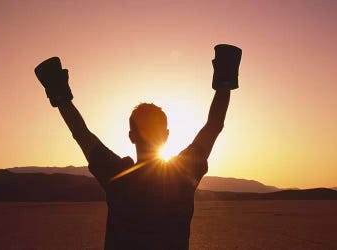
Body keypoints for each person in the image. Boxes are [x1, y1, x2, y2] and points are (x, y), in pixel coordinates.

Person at [35, 44, 242, 250]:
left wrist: (60, 95)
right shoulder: (183, 173)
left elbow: (81, 133)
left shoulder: (117, 175)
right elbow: (214, 126)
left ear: (131, 136)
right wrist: (224, 83)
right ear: (166, 136)